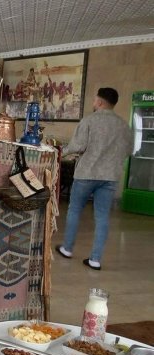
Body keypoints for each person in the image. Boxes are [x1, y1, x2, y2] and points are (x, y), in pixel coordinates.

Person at [56, 87, 133, 270]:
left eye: (94, 100)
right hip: (110, 176)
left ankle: (67, 248)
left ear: (99, 102)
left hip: (86, 174)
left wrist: (59, 152)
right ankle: (95, 259)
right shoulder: (124, 125)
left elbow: (77, 145)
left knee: (74, 210)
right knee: (102, 216)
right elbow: (129, 150)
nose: (93, 103)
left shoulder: (89, 120)